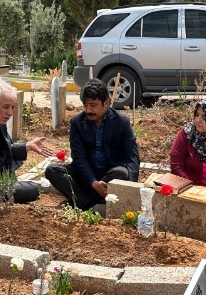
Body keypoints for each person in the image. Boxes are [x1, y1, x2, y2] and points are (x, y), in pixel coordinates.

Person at [45, 78, 140, 211]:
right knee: (52, 170)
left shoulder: (121, 122)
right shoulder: (77, 122)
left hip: (109, 174)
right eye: (85, 105)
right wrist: (93, 182)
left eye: (93, 105)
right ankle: (89, 202)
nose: (88, 110)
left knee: (122, 173)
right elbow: (79, 157)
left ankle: (82, 200)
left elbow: (132, 156)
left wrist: (130, 188)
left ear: (106, 102)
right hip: (86, 176)